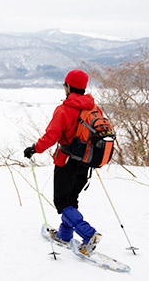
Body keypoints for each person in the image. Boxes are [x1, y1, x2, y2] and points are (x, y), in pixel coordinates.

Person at [23, 69, 102, 255]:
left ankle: (88, 234)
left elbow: (51, 135)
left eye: (64, 85)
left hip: (66, 161)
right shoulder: (93, 108)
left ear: (68, 87)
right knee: (71, 200)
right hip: (85, 162)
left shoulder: (65, 109)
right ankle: (65, 235)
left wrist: (34, 148)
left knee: (62, 201)